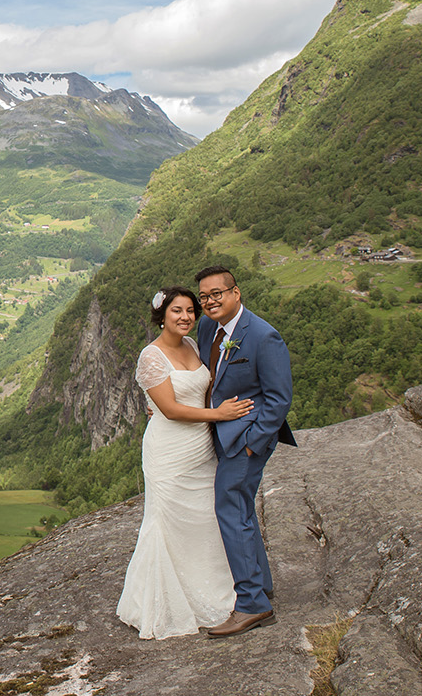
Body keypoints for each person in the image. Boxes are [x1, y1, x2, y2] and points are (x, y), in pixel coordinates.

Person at [117, 285, 255, 639]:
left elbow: (201, 390)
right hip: (169, 450)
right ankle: (167, 601)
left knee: (204, 518)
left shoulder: (193, 345)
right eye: (177, 311)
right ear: (162, 316)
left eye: (191, 311)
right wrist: (220, 415)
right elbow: (171, 409)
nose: (186, 317)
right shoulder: (151, 356)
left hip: (200, 447)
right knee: (168, 521)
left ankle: (214, 589)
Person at [194, 265, 296, 638]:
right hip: (219, 432)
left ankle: (252, 604)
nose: (210, 302)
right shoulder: (208, 327)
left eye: (217, 294)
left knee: (230, 509)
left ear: (236, 293)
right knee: (241, 509)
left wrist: (254, 444)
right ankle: (262, 585)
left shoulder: (264, 336)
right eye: (204, 296)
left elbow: (279, 398)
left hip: (247, 440)